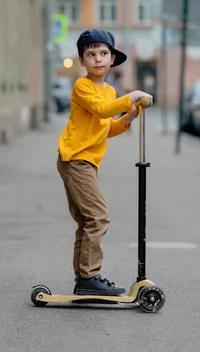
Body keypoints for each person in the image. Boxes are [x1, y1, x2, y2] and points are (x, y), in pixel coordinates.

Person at [57, 28, 153, 296]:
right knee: (98, 218)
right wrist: (132, 95)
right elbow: (100, 110)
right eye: (91, 54)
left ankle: (83, 279)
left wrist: (128, 118)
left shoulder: (109, 90)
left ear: (112, 58)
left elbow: (105, 126)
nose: (97, 59)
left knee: (87, 222)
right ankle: (90, 276)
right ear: (82, 61)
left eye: (103, 53)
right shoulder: (83, 86)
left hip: (85, 161)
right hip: (76, 159)